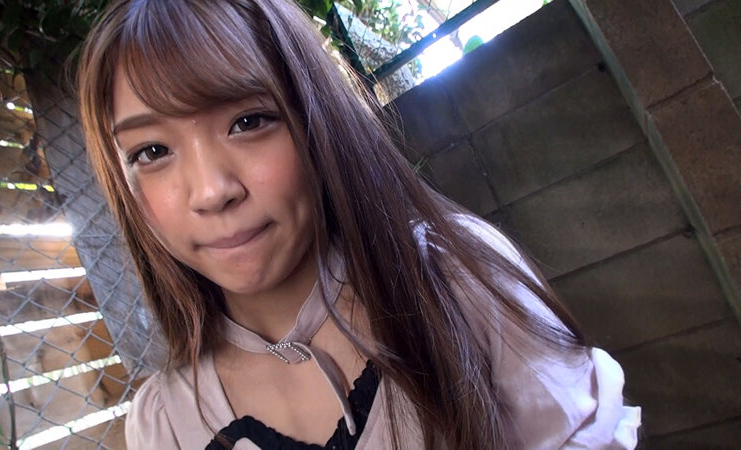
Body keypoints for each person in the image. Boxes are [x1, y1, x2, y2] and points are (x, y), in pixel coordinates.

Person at [77, 0, 641, 448]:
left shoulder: (456, 282)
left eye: (249, 121)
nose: (211, 191)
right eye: (152, 152)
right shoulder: (165, 427)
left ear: (316, 120)